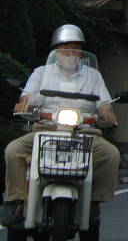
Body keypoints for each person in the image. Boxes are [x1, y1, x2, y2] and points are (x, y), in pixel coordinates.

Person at [3, 24, 120, 226]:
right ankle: (17, 201)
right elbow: (26, 97)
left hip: (84, 133)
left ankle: (93, 201)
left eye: (75, 48)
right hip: (46, 129)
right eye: (65, 47)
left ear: (82, 52)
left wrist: (107, 113)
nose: (71, 52)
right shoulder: (41, 73)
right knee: (13, 150)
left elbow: (104, 104)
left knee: (111, 154)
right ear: (55, 51)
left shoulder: (93, 76)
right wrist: (24, 104)